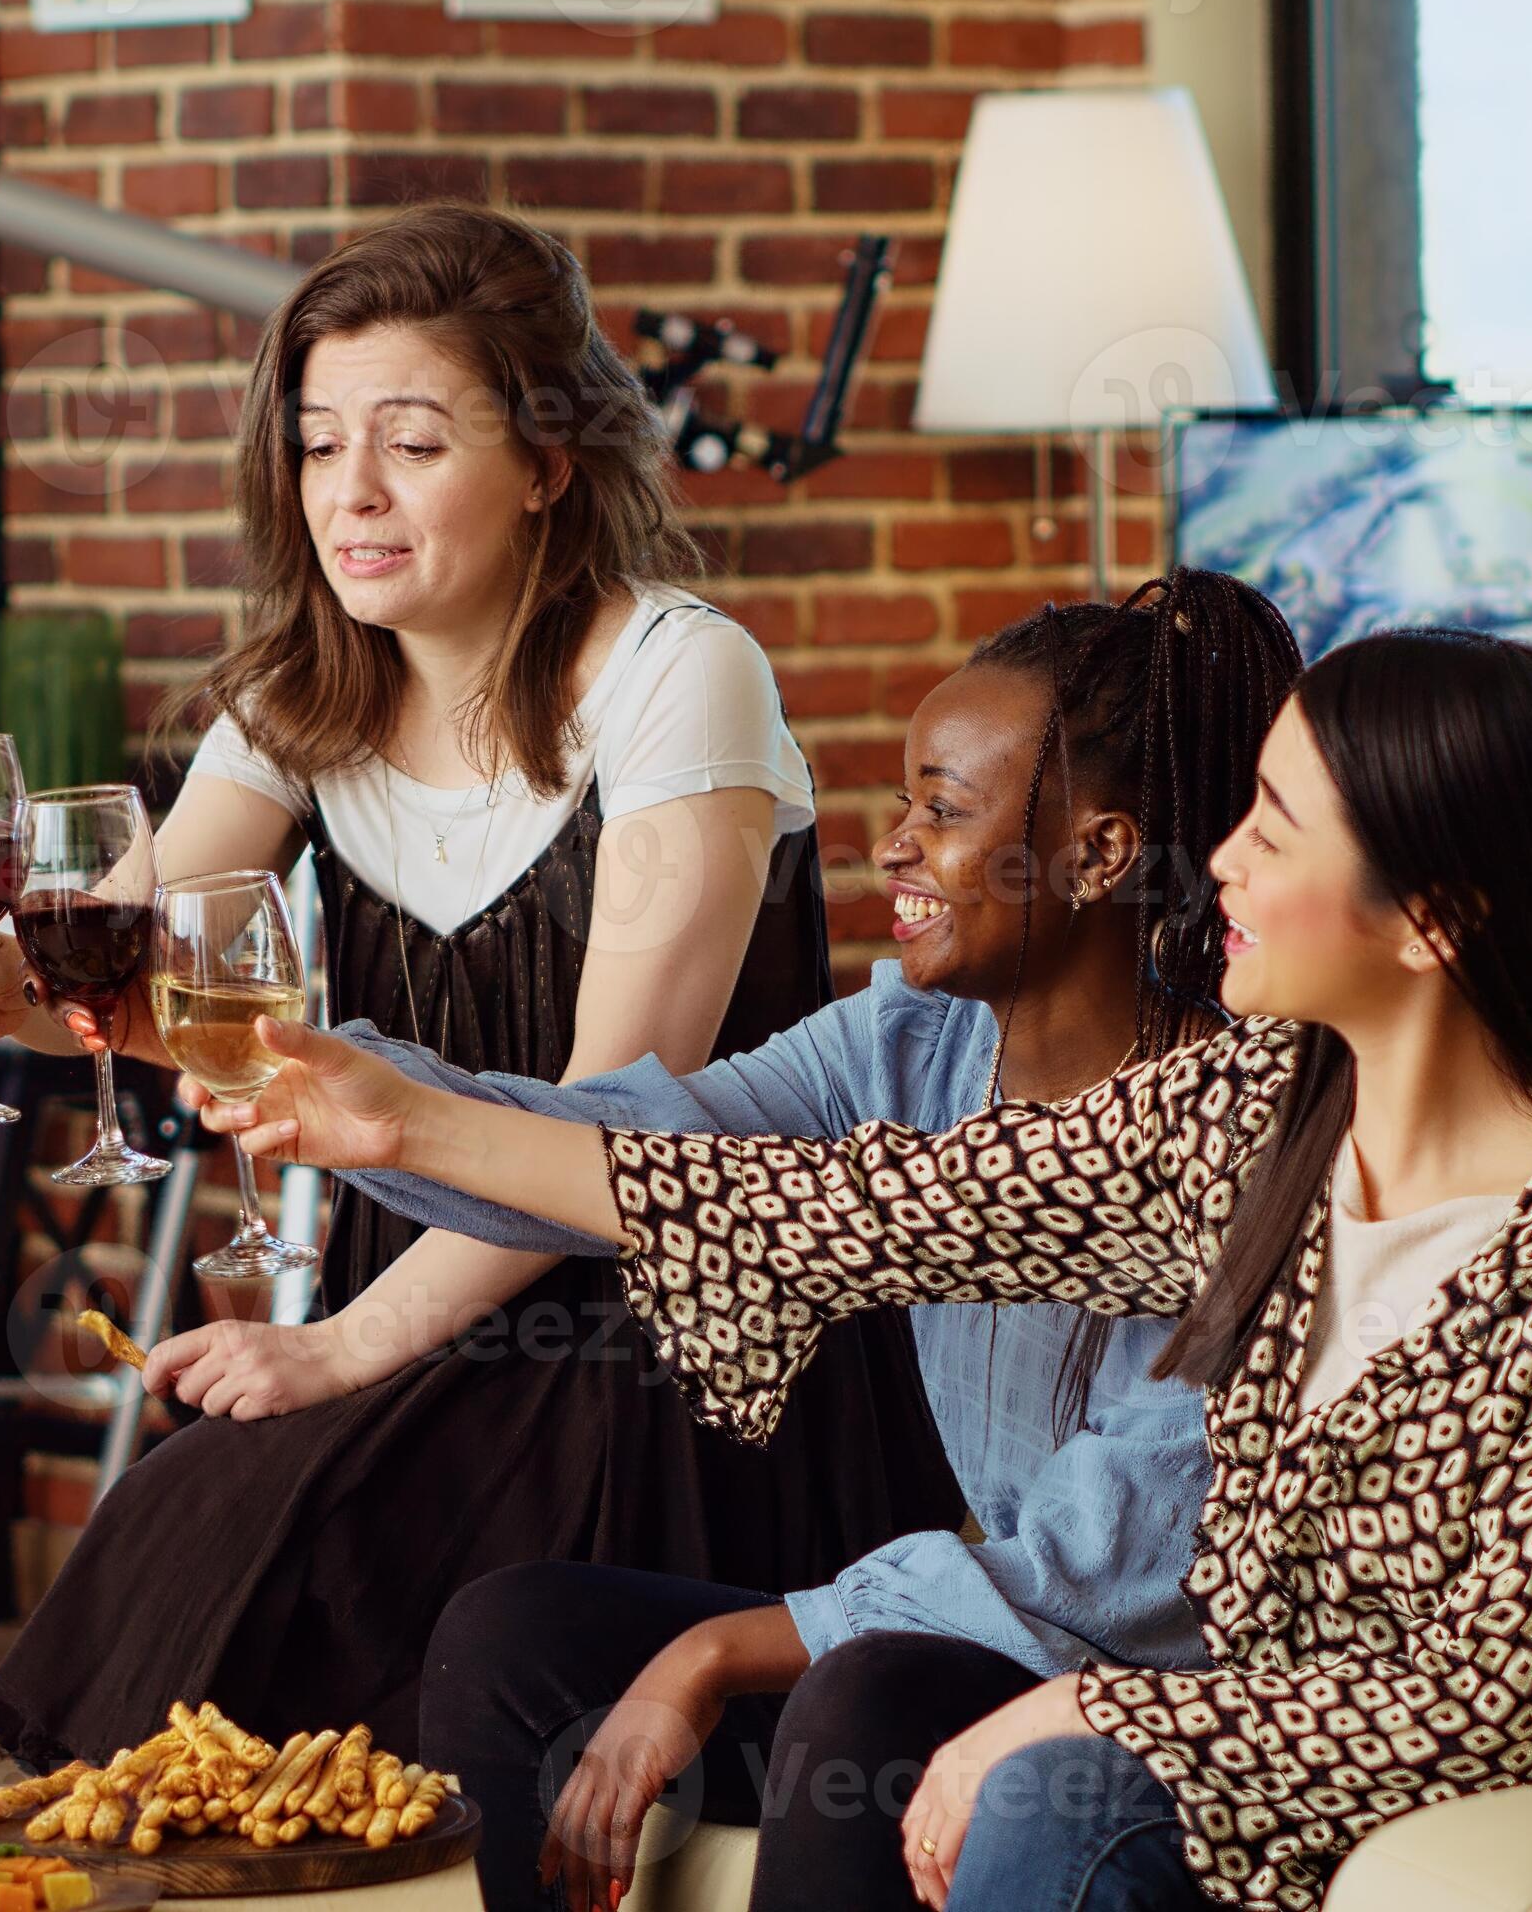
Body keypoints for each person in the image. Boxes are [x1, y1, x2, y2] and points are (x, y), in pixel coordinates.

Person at [195, 628, 1532, 1912]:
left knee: (1035, 1779)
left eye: (1274, 828)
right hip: (1280, 1780)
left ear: (1430, 916)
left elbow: (1488, 1702)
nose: (1223, 865)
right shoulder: (1264, 1112)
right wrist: (391, 1122)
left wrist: (1079, 1718)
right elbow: (838, 1207)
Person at [0, 202, 959, 1765]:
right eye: (319, 444)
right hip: (414, 1304)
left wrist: (338, 1350)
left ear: (545, 466)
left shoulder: (681, 673)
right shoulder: (294, 692)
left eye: (409, 442)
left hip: (667, 1332)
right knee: (198, 1537)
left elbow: (623, 1119)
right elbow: (130, 949)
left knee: (302, 1576)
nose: (352, 494)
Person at [246, 574, 1303, 1912]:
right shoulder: (908, 1044)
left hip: (1160, 1705)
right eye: (908, 802)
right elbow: (627, 1150)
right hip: (983, 1641)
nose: (896, 845)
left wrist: (710, 1657)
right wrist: (357, 1096)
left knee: (864, 1696)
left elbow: (1120, 1572)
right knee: (518, 1637)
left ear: (1097, 855)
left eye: (945, 808)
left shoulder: (1239, 1125)